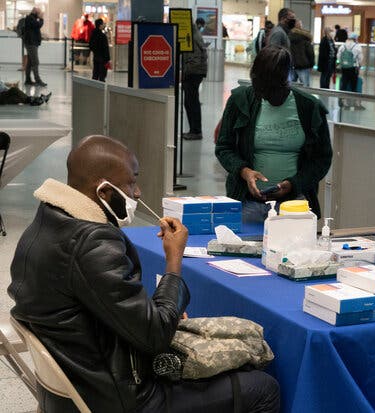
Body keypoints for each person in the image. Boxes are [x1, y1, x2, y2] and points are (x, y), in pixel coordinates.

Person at [8, 135, 280, 412]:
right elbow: (156, 336)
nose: (137, 192)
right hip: (120, 398)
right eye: (131, 182)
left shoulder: (45, 223)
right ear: (104, 191)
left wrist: (154, 308)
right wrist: (174, 262)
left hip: (74, 386)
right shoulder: (94, 244)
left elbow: (100, 301)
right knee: (262, 387)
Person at [215, 46, 332, 223]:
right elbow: (224, 147)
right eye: (264, 91)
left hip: (293, 205)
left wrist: (293, 184)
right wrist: (244, 172)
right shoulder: (240, 101)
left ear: (288, 77)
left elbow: (322, 159)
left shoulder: (309, 107)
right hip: (247, 203)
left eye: (276, 90)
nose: (271, 97)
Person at [182, 23, 208, 141]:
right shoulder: (193, 34)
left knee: (191, 102)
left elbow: (195, 60)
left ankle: (196, 131)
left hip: (193, 73)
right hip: (194, 72)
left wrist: (186, 72)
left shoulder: (192, 37)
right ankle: (193, 130)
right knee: (189, 102)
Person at [23, 7, 46, 86]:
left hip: (32, 43)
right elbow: (38, 25)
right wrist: (41, 18)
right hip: (31, 44)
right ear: (35, 12)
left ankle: (28, 80)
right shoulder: (30, 18)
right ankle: (38, 80)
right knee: (36, 62)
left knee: (30, 62)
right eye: (39, 13)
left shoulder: (32, 18)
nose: (40, 14)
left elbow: (36, 26)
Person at [289, 20, 314, 87]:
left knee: (291, 86)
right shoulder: (305, 37)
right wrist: (312, 64)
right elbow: (310, 52)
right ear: (300, 26)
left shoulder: (288, 36)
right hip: (303, 65)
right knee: (305, 87)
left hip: (291, 65)